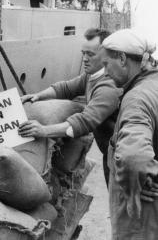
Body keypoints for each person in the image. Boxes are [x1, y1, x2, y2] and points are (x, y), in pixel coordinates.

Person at [19, 28, 121, 186]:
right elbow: (66, 88)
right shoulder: (92, 75)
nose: (85, 59)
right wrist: (38, 95)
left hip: (124, 157)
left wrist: (44, 130)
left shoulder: (109, 86)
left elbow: (85, 122)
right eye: (83, 53)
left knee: (127, 206)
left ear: (107, 55)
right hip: (112, 152)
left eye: (91, 54)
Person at [101, 29, 158, 240]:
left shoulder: (137, 99)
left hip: (143, 215)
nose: (105, 72)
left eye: (107, 64)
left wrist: (133, 192)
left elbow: (133, 157)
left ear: (123, 59)